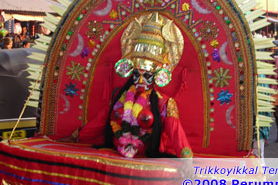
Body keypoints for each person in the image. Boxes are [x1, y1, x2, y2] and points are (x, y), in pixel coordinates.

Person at [60, 12, 193, 159]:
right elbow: (100, 121)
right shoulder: (122, 98)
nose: (141, 80)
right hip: (117, 156)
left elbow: (176, 133)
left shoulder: (165, 104)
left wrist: (186, 158)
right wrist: (75, 137)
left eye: (147, 76)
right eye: (137, 75)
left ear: (157, 77)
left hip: (147, 160)